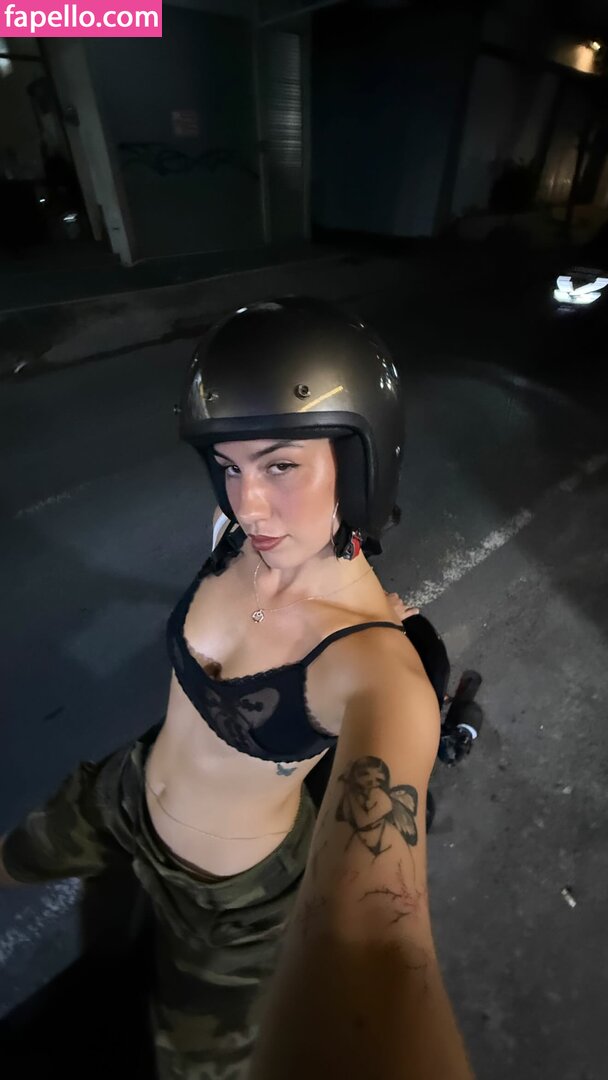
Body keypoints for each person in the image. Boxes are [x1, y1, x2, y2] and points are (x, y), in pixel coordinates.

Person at [0, 297, 472, 1079]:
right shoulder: (234, 540)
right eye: (229, 466)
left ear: (359, 466)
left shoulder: (374, 671)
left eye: (280, 465)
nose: (247, 503)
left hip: (228, 907)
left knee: (197, 1066)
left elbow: (378, 944)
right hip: (126, 792)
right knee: (16, 854)